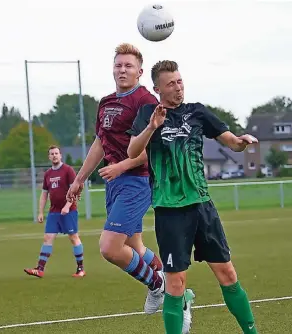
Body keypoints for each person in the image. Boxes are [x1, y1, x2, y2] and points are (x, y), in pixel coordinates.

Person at [127, 60, 259, 334]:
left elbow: (232, 143)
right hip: (170, 211)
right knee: (176, 284)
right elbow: (132, 151)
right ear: (157, 88)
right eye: (171, 84)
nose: (178, 88)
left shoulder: (197, 112)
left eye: (180, 81)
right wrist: (152, 126)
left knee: (228, 274)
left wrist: (242, 142)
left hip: (202, 207)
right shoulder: (148, 114)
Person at [67, 43, 165, 312]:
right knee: (135, 245)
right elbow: (100, 143)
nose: (122, 70)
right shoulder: (106, 102)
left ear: (140, 71)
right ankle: (168, 277)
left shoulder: (146, 101)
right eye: (118, 65)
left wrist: (121, 166)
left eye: (128, 66)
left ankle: (158, 286)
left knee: (110, 247)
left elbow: (153, 149)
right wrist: (79, 179)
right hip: (115, 184)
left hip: (137, 181)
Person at [24, 145, 85, 278]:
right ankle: (39, 269)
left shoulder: (68, 170)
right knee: (47, 238)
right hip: (54, 212)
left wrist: (67, 206)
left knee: (73, 237)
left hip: (69, 211)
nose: (54, 155)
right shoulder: (48, 174)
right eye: (52, 154)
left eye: (56, 153)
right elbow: (44, 194)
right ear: (49, 157)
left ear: (60, 155)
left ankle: (81, 269)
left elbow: (74, 190)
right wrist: (40, 212)